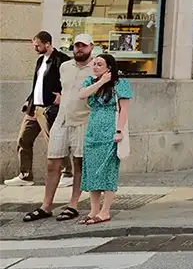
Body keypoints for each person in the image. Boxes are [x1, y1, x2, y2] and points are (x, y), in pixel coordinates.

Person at [24, 34, 94, 222]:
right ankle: (46, 206)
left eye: (83, 46)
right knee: (52, 162)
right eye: (77, 45)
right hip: (62, 119)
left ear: (91, 47)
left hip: (83, 120)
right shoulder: (65, 66)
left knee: (78, 163)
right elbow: (60, 88)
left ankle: (73, 204)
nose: (79, 49)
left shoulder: (96, 68)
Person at [5, 31, 68, 187]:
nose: (35, 49)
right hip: (34, 108)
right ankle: (25, 176)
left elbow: (71, 82)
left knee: (55, 143)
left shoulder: (62, 60)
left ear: (47, 43)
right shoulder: (40, 60)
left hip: (49, 108)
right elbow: (38, 84)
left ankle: (67, 173)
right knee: (23, 140)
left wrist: (63, 96)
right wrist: (29, 100)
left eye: (37, 45)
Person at [78, 53, 132, 224]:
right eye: (94, 64)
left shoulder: (120, 84)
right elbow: (81, 95)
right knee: (92, 171)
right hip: (93, 132)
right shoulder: (91, 82)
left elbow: (124, 109)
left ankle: (105, 210)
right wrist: (101, 81)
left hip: (110, 132)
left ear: (109, 67)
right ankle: (94, 210)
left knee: (108, 171)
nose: (95, 67)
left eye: (99, 65)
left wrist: (119, 131)